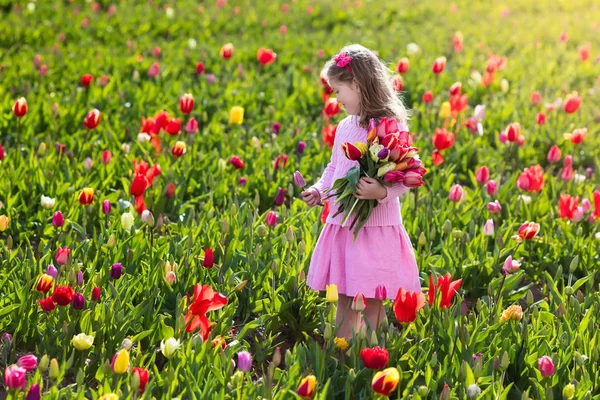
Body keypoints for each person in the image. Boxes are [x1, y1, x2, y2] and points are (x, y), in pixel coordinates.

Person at [300, 44, 422, 340]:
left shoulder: (390, 126)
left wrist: (380, 191)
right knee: (343, 294)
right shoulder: (344, 127)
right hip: (344, 224)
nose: (336, 98)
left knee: (372, 296)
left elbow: (405, 174)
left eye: (339, 91)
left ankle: (371, 352)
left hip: (375, 227)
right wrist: (320, 191)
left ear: (356, 85)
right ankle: (344, 353)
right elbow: (334, 169)